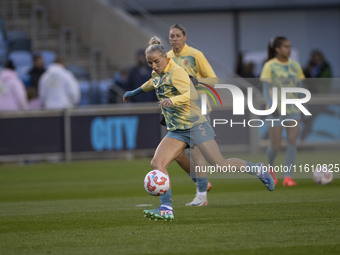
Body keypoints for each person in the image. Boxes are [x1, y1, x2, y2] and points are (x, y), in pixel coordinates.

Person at [123, 37, 275, 221]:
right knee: (157, 164)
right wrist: (133, 93)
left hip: (195, 125)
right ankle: (166, 208)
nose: (154, 66)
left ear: (166, 58)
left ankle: (257, 169)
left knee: (220, 164)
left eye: (156, 61)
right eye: (150, 63)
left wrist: (172, 100)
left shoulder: (177, 72)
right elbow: (151, 83)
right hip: (177, 130)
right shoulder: (158, 74)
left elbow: (192, 94)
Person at [166, 24, 218, 206]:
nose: (174, 39)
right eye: (171, 36)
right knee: (177, 155)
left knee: (198, 153)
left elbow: (213, 79)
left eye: (177, 35)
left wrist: (194, 82)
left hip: (198, 108)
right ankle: (201, 184)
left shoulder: (196, 55)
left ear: (185, 37)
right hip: (177, 111)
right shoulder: (167, 58)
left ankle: (201, 195)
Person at [260, 36, 305, 187]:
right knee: (275, 145)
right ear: (277, 49)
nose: (289, 49)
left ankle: (288, 177)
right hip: (276, 112)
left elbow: (300, 88)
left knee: (292, 141)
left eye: (290, 46)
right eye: (285, 46)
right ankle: (269, 167)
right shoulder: (270, 66)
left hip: (293, 110)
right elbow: (266, 90)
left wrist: (302, 106)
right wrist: (273, 107)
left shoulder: (295, 66)